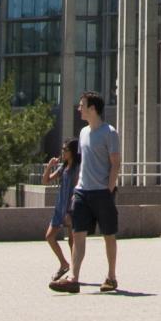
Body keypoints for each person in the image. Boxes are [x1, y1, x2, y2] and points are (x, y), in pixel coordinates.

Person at [57, 92, 121, 295]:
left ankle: (111, 277)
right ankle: (73, 279)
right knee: (77, 234)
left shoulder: (109, 132)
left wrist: (108, 191)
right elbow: (83, 164)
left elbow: (115, 164)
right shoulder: (83, 133)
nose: (79, 109)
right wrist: (76, 189)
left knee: (108, 235)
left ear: (92, 108)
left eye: (82, 105)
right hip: (83, 193)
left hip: (102, 193)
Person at [41, 139, 80, 288]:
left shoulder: (76, 168)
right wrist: (50, 166)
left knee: (72, 241)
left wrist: (70, 209)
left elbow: (77, 188)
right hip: (59, 207)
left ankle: (74, 272)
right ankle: (64, 263)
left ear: (72, 152)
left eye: (65, 150)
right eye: (62, 150)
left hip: (70, 209)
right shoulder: (63, 168)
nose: (63, 152)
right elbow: (45, 181)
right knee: (49, 236)